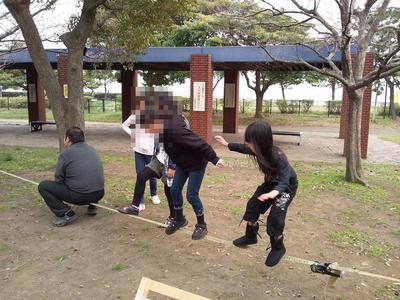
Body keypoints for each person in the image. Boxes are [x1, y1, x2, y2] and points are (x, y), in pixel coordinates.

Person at [215, 120, 297, 267]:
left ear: (261, 143)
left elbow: (285, 180)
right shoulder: (255, 149)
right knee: (253, 205)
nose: (248, 145)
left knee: (275, 218)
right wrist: (227, 144)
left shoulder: (278, 156)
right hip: (271, 184)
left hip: (286, 187)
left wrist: (274, 193)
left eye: (250, 142)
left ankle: (278, 247)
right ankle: (250, 236)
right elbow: (243, 148)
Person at [162, 115, 224, 240]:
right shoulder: (162, 134)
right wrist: (172, 166)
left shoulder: (177, 133)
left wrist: (215, 159)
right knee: (174, 190)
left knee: (191, 195)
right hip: (182, 164)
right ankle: (179, 219)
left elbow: (202, 144)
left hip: (197, 163)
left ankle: (202, 225)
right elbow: (171, 152)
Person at [38, 127, 104, 226]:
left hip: (80, 196)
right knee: (88, 180)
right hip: (99, 193)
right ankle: (92, 206)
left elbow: (59, 179)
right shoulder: (92, 149)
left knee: (43, 186)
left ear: (67, 139)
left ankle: (67, 213)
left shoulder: (65, 154)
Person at [121, 106, 161, 210]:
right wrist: (133, 134)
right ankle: (140, 201)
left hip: (151, 152)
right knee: (140, 176)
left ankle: (154, 194)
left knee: (152, 174)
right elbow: (124, 125)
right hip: (138, 151)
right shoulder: (135, 116)